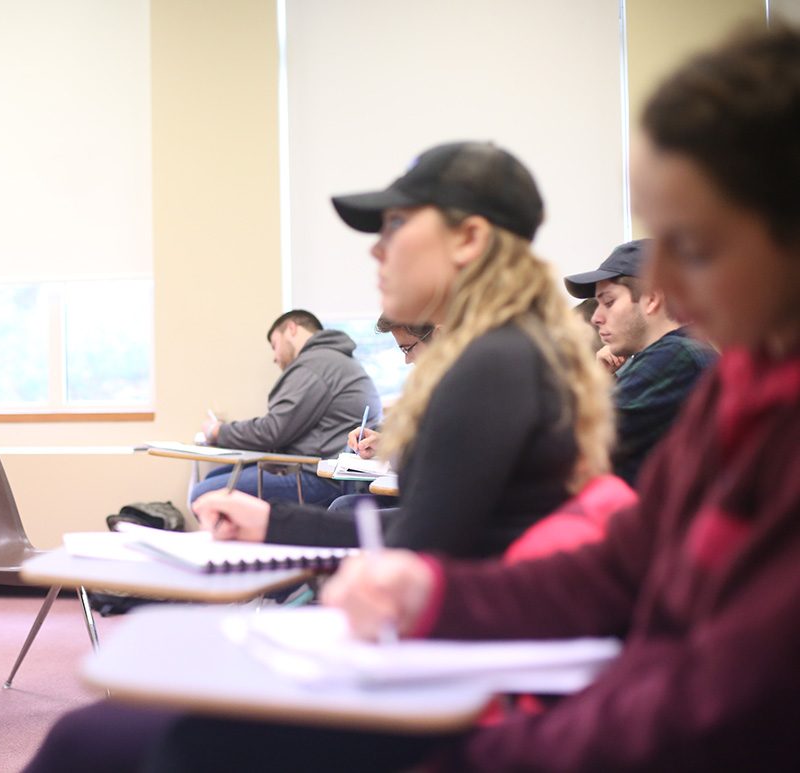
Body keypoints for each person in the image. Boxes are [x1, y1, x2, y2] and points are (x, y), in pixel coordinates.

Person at [119, 22, 800, 772]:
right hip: (537, 679)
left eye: (693, 234)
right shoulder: (736, 386)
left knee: (165, 741)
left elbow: (714, 710)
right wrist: (433, 593)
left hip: (539, 707)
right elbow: (616, 570)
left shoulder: (506, 361)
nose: (662, 270)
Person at [190, 141, 612, 557]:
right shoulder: (516, 347)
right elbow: (432, 528)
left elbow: (420, 545)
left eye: (395, 224)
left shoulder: (493, 364)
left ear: (467, 238)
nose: (376, 248)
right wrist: (270, 523)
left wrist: (277, 524)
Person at [565, 239, 718, 485]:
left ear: (651, 299)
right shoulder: (675, 354)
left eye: (608, 302)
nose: (596, 317)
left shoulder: (676, 358)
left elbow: (576, 443)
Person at [192, 309, 381, 507]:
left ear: (291, 329)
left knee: (203, 495)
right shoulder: (334, 359)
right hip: (329, 471)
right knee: (214, 477)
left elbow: (271, 431)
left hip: (321, 477)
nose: (274, 357)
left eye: (275, 345)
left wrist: (216, 430)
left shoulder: (314, 364)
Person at [346, 316, 436, 461]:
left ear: (439, 336)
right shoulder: (430, 384)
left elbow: (429, 456)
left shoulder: (460, 386)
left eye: (407, 349)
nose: (407, 360)